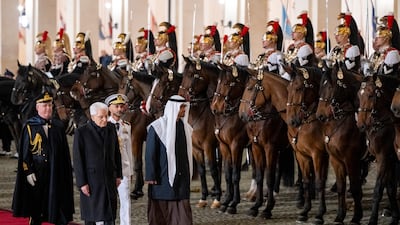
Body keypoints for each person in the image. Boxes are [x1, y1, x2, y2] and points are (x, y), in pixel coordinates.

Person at [12, 92, 74, 225]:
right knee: (37, 207)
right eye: (44, 105)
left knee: (57, 205)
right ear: (37, 107)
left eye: (50, 105)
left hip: (56, 172)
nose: (48, 109)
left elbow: (64, 153)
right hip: (38, 173)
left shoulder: (58, 126)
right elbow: (25, 153)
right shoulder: (30, 126)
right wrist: (28, 171)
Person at [145, 95, 193, 225]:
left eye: (184, 107)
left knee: (182, 211)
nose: (184, 110)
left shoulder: (185, 128)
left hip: (181, 177)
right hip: (162, 177)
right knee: (162, 212)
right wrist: (150, 175)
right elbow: (150, 153)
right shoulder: (157, 127)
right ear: (174, 108)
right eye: (181, 107)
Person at [73, 102, 122, 225]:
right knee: (91, 214)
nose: (105, 119)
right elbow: (78, 159)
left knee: (110, 213)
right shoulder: (82, 132)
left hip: (109, 177)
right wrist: (82, 183)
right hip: (91, 181)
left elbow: (116, 153)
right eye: (101, 117)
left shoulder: (111, 129)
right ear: (92, 116)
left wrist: (118, 174)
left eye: (106, 116)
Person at [105, 94, 133, 225]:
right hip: (109, 169)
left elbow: (129, 149)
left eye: (122, 106)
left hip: (124, 168)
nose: (120, 109)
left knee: (125, 201)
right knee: (108, 200)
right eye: (117, 106)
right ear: (109, 108)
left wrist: (131, 171)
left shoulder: (126, 126)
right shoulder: (104, 124)